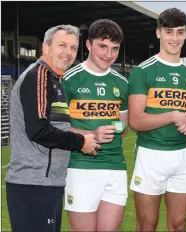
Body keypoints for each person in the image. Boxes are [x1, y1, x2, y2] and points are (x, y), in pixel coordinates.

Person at [5, 25, 100, 232]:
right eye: (62, 45)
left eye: (73, 48)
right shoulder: (39, 75)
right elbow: (38, 130)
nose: (68, 52)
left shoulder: (54, 79)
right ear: (45, 47)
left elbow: (55, 126)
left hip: (49, 183)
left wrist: (83, 135)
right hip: (33, 184)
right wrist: (80, 142)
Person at [128, 8, 186, 232]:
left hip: (183, 156)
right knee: (147, 225)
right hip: (151, 154)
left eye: (180, 32)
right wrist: (172, 116)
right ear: (158, 33)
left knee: (179, 224)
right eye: (169, 31)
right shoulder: (142, 72)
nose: (174, 38)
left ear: (185, 35)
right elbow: (136, 120)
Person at [61, 19, 129, 231]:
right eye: (102, 46)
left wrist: (117, 128)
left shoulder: (122, 83)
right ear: (89, 45)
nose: (109, 54)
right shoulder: (68, 79)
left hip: (116, 168)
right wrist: (91, 133)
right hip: (81, 167)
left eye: (115, 48)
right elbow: (57, 129)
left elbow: (124, 129)